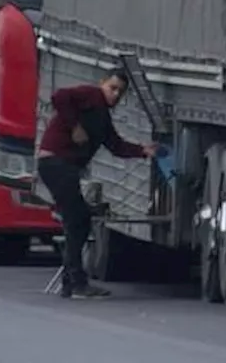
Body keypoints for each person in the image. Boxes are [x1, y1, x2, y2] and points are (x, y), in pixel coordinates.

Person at [36, 71, 158, 299]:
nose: (115, 95)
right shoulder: (91, 96)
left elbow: (115, 145)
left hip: (63, 166)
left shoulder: (102, 117)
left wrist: (142, 151)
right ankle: (76, 282)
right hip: (56, 161)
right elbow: (60, 96)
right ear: (102, 83)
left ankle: (71, 282)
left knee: (79, 220)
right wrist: (75, 127)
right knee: (77, 220)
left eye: (120, 92)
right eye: (112, 88)